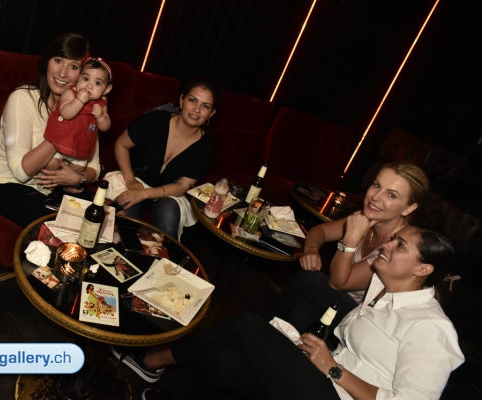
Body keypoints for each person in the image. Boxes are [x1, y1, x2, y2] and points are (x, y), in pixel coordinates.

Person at [115, 226, 464, 399]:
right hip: (326, 376)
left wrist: (333, 368)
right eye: (393, 238)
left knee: (246, 325)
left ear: (423, 270)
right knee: (222, 359)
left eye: (400, 245)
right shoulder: (383, 285)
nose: (386, 245)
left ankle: (154, 359)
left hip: (336, 393)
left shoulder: (432, 329)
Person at [265, 162, 430, 338]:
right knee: (301, 313)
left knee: (309, 279)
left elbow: (338, 283)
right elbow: (320, 231)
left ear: (409, 208)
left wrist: (350, 239)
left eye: (391, 195)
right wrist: (311, 249)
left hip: (362, 319)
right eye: (376, 185)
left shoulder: (396, 247)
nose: (375, 197)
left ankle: (261, 330)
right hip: (332, 301)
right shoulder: (365, 217)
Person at [0, 33, 101, 230]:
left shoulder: (87, 109)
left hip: (52, 189)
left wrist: (78, 179)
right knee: (62, 228)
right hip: (4, 182)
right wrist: (65, 128)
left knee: (113, 218)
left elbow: (94, 167)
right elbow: (21, 171)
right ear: (47, 61)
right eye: (58, 60)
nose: (62, 73)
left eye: (73, 66)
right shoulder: (22, 97)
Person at [109, 77, 219, 239]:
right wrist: (130, 179)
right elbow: (121, 145)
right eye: (192, 100)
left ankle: (163, 254)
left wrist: (145, 194)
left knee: (169, 214)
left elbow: (182, 185)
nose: (197, 109)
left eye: (205, 106)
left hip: (169, 193)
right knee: (124, 216)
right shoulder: (155, 120)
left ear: (211, 113)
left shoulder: (206, 147)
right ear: (181, 100)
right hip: (134, 181)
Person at [43, 57, 112, 163]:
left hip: (82, 148)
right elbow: (65, 113)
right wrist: (79, 100)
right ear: (79, 78)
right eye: (86, 79)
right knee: (51, 164)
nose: (89, 85)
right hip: (60, 143)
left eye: (97, 83)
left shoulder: (101, 104)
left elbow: (105, 127)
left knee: (78, 168)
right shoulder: (70, 93)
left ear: (106, 89)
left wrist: (101, 116)